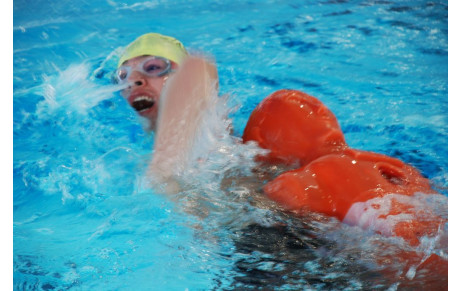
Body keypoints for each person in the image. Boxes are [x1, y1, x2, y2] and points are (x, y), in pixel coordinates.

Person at [115, 33, 447, 286]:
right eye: (123, 75)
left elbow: (199, 67)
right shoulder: (134, 161)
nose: (134, 80)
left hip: (282, 234)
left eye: (154, 67)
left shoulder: (214, 139)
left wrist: (166, 173)